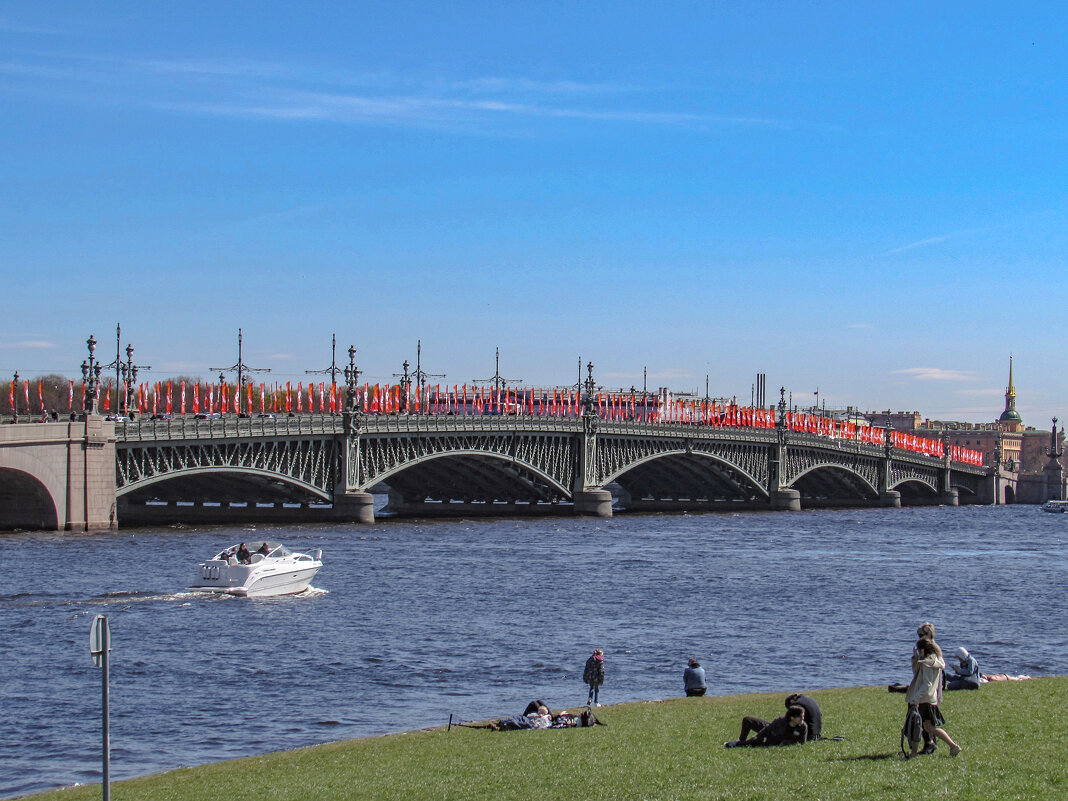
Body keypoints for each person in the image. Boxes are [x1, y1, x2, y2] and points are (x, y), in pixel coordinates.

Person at [905, 637, 962, 758]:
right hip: (931, 699)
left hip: (924, 699)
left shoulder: (926, 664)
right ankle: (952, 746)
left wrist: (916, 698)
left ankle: (913, 754)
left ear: (923, 650)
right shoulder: (937, 660)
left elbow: (927, 684)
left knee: (917, 726)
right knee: (929, 727)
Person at [726, 705, 807, 747]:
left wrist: (786, 743)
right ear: (792, 717)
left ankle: (735, 744)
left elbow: (801, 742)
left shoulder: (803, 727)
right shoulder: (780, 721)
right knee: (747, 721)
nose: (802, 719)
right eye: (800, 716)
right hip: (770, 733)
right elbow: (767, 729)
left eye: (803, 716)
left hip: (774, 740)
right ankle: (740, 741)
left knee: (753, 743)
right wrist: (758, 738)